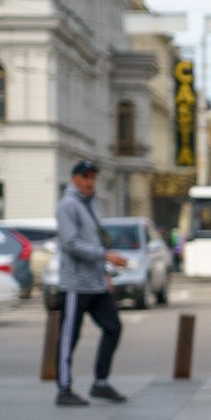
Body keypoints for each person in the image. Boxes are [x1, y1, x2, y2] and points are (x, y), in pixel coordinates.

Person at [54, 160, 129, 407]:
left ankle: (100, 383)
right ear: (74, 179)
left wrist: (105, 273)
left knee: (113, 327)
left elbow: (95, 240)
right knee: (69, 337)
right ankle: (64, 389)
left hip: (96, 282)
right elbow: (71, 243)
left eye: (93, 178)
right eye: (85, 177)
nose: (90, 182)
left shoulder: (91, 203)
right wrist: (105, 256)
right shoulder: (68, 205)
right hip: (75, 284)